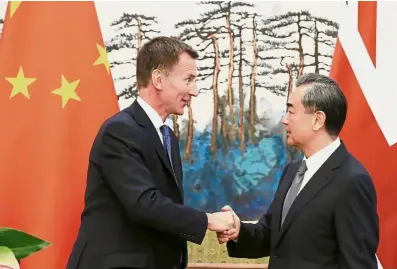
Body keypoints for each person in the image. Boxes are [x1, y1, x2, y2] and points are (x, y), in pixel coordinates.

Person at [66, 36, 234, 269]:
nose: (194, 91)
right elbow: (144, 204)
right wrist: (208, 220)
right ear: (158, 79)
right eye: (188, 79)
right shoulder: (120, 130)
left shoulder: (168, 138)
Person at [218, 73, 379, 269]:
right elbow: (272, 235)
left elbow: (358, 263)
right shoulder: (293, 171)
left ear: (317, 120)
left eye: (291, 111)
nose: (284, 120)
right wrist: (238, 230)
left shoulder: (352, 180)